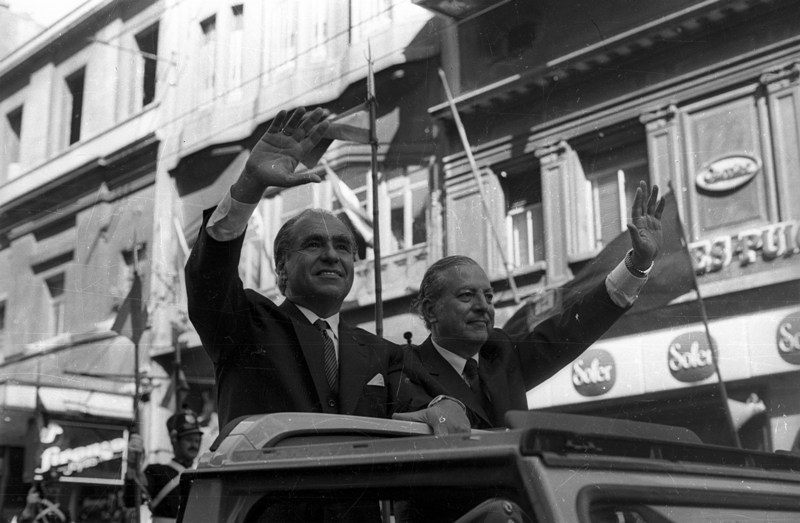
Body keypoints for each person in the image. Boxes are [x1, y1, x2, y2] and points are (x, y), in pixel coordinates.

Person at [184, 106, 468, 435]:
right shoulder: (244, 324)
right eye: (314, 244)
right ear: (282, 269)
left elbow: (421, 405)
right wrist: (251, 183)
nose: (332, 256)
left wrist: (442, 404)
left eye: (343, 247)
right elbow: (209, 276)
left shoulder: (381, 352)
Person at [396, 182, 665, 429]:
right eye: (467, 295)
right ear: (431, 311)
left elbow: (571, 330)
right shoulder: (405, 371)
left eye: (488, 297)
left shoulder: (499, 353)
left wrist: (637, 266)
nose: (483, 307)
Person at [125, 410, 202, 523]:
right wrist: (132, 467)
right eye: (189, 440)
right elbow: (131, 500)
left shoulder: (202, 475)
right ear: (174, 439)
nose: (194, 445)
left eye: (197, 440)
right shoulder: (157, 472)